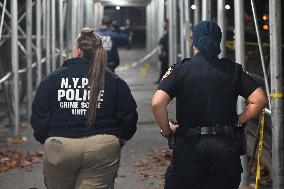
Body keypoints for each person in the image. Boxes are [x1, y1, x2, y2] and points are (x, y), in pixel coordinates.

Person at [152, 21, 268, 189]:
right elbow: (260, 99)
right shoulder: (233, 70)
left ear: (194, 43)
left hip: (189, 149)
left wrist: (167, 130)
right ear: (218, 42)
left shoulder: (180, 70)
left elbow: (157, 103)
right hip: (225, 148)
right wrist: (237, 121)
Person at [30, 28, 138, 189]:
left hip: (60, 145)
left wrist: (47, 139)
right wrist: (118, 141)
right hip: (102, 147)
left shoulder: (51, 80)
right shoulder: (114, 81)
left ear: (78, 50)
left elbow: (38, 117)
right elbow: (129, 117)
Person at [156, 19, 169, 83]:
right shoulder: (165, 31)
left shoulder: (168, 31)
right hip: (164, 51)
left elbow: (165, 40)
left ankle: (162, 80)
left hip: (166, 52)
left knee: (164, 66)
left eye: (164, 23)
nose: (163, 24)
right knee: (163, 66)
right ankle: (161, 79)